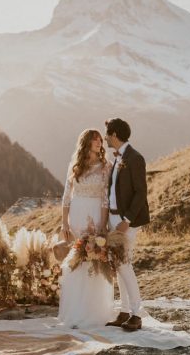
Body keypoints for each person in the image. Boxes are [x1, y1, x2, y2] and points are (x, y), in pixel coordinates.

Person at [57, 129, 114, 328]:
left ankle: (94, 312)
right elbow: (66, 196)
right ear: (86, 143)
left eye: (100, 140)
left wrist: (102, 226)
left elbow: (106, 199)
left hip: (95, 215)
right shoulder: (75, 166)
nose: (99, 142)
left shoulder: (106, 166)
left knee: (94, 259)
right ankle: (74, 310)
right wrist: (65, 222)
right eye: (95, 140)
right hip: (76, 216)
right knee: (76, 261)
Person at [104, 118, 150, 331]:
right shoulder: (118, 158)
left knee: (124, 265)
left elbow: (141, 193)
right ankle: (123, 311)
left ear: (114, 135)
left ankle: (136, 314)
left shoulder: (135, 158)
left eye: (107, 134)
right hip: (114, 219)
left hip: (126, 222)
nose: (105, 138)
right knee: (119, 266)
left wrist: (127, 221)